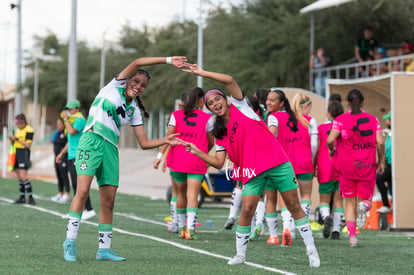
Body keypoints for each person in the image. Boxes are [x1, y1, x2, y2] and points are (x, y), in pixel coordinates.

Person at [179, 63, 320, 267]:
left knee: (293, 205)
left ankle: (311, 250)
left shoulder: (241, 107)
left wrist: (202, 73)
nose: (215, 103)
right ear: (209, 108)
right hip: (252, 171)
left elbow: (228, 79)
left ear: (225, 99)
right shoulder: (219, 133)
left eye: (217, 98)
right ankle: (240, 255)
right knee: (246, 210)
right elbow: (219, 163)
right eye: (210, 103)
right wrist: (198, 151)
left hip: (277, 162)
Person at [62, 56, 186, 262]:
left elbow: (144, 143)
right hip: (91, 141)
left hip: (110, 149)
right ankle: (69, 242)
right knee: (82, 191)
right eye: (136, 82)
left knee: (108, 202)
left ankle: (104, 250)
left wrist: (166, 140)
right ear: (127, 80)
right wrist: (168, 60)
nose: (138, 86)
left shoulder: (134, 111)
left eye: (143, 85)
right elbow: (138, 62)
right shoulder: (113, 87)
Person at [327, 88, 385, 248]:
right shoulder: (373, 120)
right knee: (366, 199)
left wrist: (332, 150)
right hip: (367, 166)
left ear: (347, 103)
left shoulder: (340, 120)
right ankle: (365, 206)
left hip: (347, 168)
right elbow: (380, 143)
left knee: (349, 202)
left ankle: (353, 237)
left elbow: (330, 139)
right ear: (363, 101)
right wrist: (381, 161)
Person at [165, 87, 214, 240]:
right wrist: (202, 153)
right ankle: (191, 230)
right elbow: (211, 142)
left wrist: (161, 155)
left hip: (177, 160)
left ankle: (181, 228)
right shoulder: (208, 118)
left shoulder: (175, 115)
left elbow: (169, 137)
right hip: (196, 160)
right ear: (200, 101)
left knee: (180, 195)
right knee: (192, 196)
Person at [154, 91, 188, 234]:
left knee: (183, 192)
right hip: (179, 159)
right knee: (180, 192)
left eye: (182, 104)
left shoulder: (184, 117)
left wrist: (162, 157)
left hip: (185, 159)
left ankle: (181, 222)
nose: (180, 106)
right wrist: (162, 157)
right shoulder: (178, 117)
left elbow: (169, 139)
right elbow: (169, 139)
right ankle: (179, 222)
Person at [56, 99, 96, 220]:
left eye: (71, 109)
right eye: (67, 109)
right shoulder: (73, 121)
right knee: (75, 183)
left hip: (80, 155)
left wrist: (65, 119)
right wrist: (62, 153)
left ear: (77, 109)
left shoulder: (80, 120)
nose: (68, 111)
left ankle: (88, 209)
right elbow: (70, 141)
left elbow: (72, 132)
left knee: (79, 184)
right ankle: (78, 210)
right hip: (72, 155)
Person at [315, 101, 344, 240]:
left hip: (325, 166)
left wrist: (314, 165)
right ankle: (337, 230)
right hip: (342, 167)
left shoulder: (321, 128)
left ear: (328, 113)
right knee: (338, 200)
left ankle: (326, 217)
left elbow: (317, 148)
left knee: (324, 200)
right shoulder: (345, 128)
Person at [9, 113, 35, 205]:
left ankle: (31, 198)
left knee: (24, 176)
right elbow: (14, 142)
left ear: (22, 122)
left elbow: (28, 145)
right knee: (19, 176)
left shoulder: (29, 130)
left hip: (24, 153)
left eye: (17, 123)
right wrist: (11, 139)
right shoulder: (18, 130)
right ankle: (22, 197)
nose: (16, 125)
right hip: (17, 152)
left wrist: (17, 139)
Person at [376, 111, 392, 214]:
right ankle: (389, 204)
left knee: (379, 178)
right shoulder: (389, 135)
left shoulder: (394, 134)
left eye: (388, 119)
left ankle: (386, 205)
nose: (386, 121)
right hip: (389, 165)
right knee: (390, 185)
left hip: (394, 166)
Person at [51, 118, 70, 203]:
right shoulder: (57, 133)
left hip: (63, 158)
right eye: (57, 124)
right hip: (56, 158)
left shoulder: (66, 133)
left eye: (59, 124)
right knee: (59, 176)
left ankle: (67, 194)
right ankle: (60, 193)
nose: (57, 125)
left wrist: (62, 154)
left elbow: (68, 144)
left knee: (64, 175)